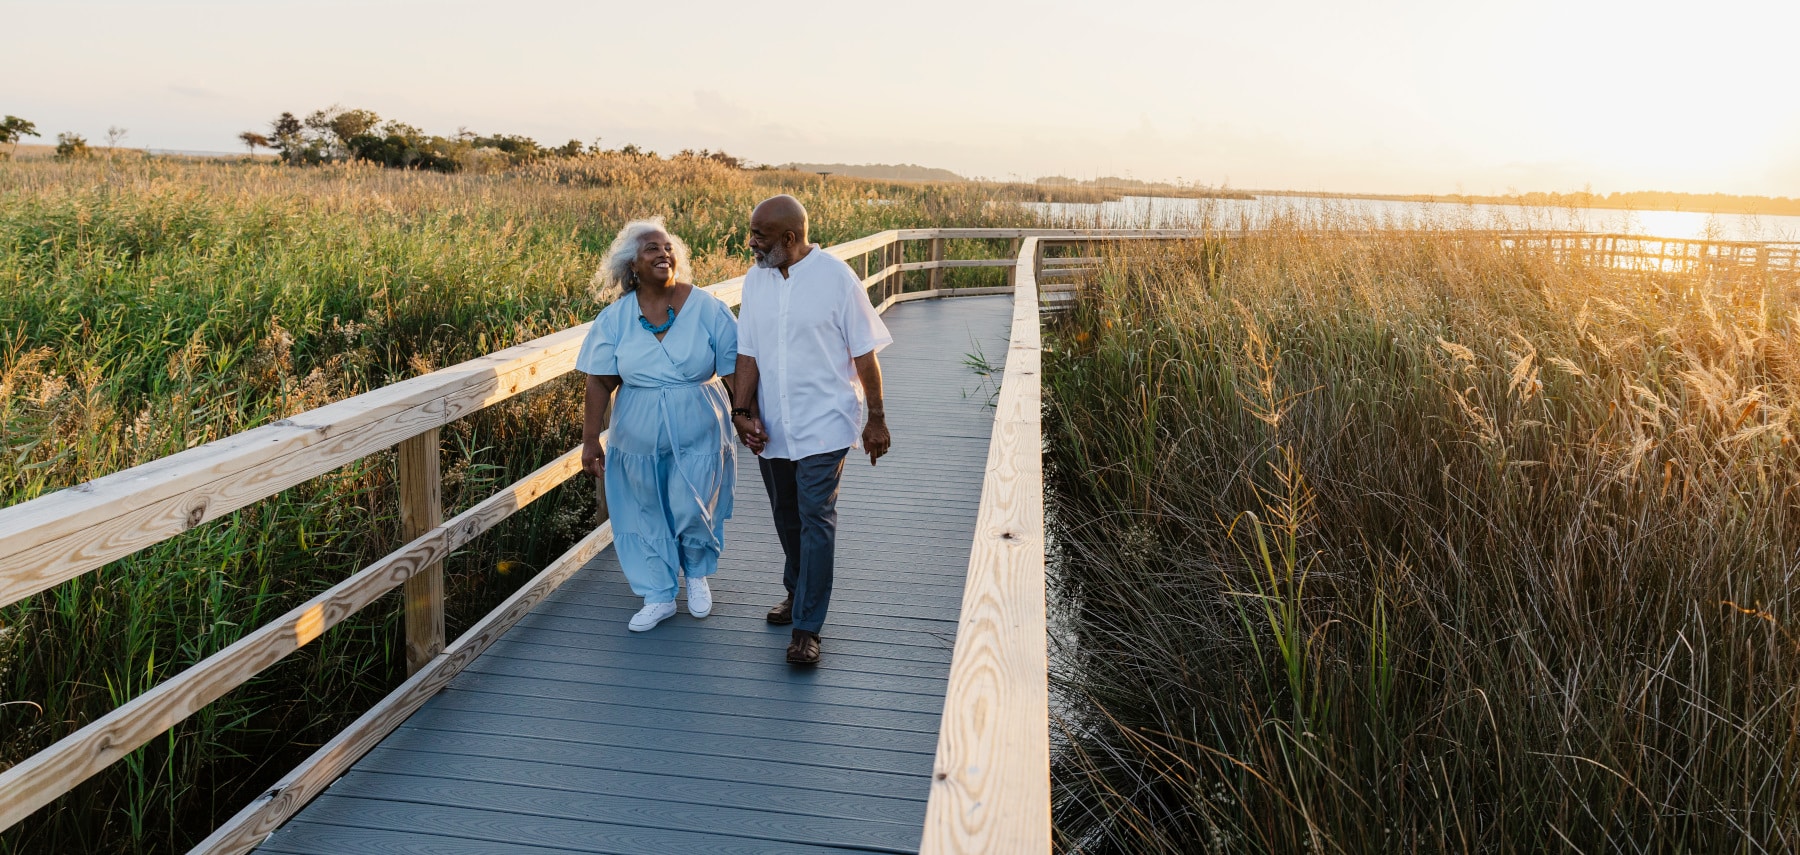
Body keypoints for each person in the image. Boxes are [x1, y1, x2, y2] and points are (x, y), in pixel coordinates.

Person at [730, 195, 892, 665]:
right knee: (786, 516)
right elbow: (748, 353)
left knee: (816, 518)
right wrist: (742, 412)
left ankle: (807, 626)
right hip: (773, 426)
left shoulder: (836, 278)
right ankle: (797, 591)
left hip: (825, 423)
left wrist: (877, 418)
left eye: (759, 235)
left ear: (789, 237)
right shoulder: (756, 280)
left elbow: (865, 353)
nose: (751, 242)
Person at [578, 218, 739, 632]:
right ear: (632, 264)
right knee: (644, 508)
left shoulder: (706, 307)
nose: (663, 254)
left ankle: (697, 574)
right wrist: (590, 439)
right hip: (637, 427)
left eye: (667, 248)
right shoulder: (614, 319)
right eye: (651, 248)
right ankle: (658, 593)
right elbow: (599, 379)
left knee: (692, 503)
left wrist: (748, 415)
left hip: (700, 422)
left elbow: (737, 367)